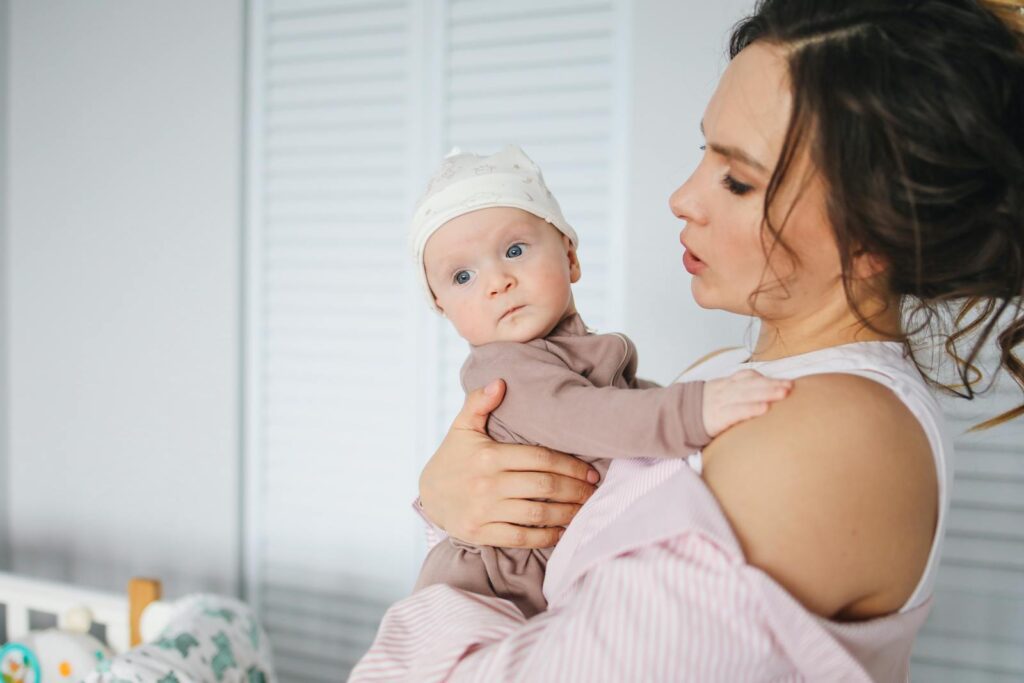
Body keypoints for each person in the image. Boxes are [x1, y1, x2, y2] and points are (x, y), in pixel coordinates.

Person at [351, 0, 1024, 679]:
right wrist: (449, 497)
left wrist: (429, 597)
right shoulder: (731, 368)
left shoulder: (830, 435)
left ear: (880, 230)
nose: (682, 196)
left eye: (737, 178)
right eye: (704, 151)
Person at [407, 145, 793, 618]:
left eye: (513, 250)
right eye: (463, 276)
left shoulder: (572, 351)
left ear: (570, 257)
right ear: (443, 309)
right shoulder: (504, 369)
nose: (497, 281)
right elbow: (587, 417)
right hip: (485, 595)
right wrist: (696, 409)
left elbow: (619, 409)